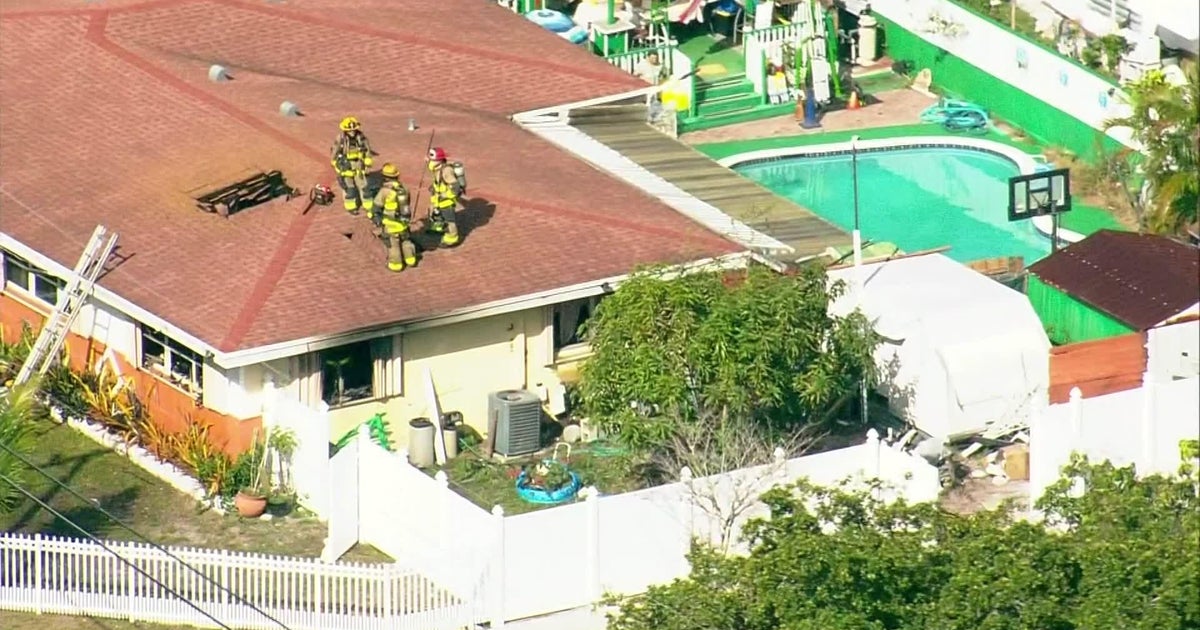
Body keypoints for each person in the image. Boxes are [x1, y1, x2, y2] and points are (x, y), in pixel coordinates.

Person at [372, 163, 418, 271]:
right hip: (404, 222)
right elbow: (407, 203)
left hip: (390, 224)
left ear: (385, 177)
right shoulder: (404, 188)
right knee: (406, 241)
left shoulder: (385, 191)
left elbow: (377, 205)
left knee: (393, 244)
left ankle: (396, 264)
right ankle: (411, 260)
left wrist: (375, 217)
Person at [330, 116, 375, 214]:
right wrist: (337, 165)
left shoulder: (361, 137)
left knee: (364, 186)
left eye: (354, 130)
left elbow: (367, 150)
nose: (352, 132)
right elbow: (334, 152)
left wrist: (367, 162)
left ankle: (368, 206)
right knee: (349, 188)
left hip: (359, 163)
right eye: (349, 130)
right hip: (346, 165)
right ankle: (351, 207)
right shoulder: (341, 138)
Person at [425, 147, 462, 247]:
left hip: (446, 201)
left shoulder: (446, 171)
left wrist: (445, 195)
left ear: (440, 160)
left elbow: (455, 187)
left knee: (449, 220)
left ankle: (452, 238)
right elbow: (431, 166)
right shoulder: (437, 167)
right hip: (437, 199)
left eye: (433, 160)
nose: (431, 162)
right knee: (435, 214)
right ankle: (438, 229)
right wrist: (428, 160)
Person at [634, 52, 667, 124]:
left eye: (655, 58)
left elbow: (663, 75)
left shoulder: (660, 66)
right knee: (647, 104)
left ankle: (654, 120)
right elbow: (635, 75)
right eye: (652, 58)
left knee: (656, 105)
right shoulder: (642, 65)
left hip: (656, 89)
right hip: (646, 89)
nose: (654, 60)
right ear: (648, 57)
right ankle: (646, 120)